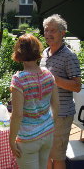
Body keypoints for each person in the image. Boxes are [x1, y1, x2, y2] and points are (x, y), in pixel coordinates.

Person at [9, 34, 59, 169]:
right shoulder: (48, 74)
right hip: (47, 134)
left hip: (28, 138)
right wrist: (48, 124)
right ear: (37, 50)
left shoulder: (19, 79)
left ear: (19, 52)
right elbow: (56, 105)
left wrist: (11, 141)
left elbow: (17, 114)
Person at [40, 14, 81, 169]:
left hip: (62, 114)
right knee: (46, 154)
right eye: (46, 30)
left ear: (63, 33)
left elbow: (77, 86)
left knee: (57, 156)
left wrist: (53, 78)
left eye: (53, 31)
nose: (48, 34)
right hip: (45, 113)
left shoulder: (69, 56)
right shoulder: (45, 53)